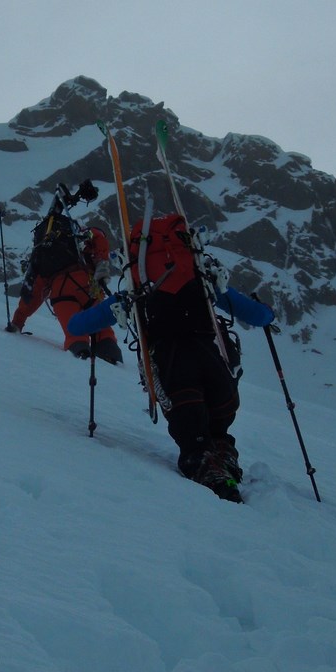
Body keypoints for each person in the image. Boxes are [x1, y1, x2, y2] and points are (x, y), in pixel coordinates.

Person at [130, 214, 273, 502]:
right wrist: (267, 312)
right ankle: (221, 450)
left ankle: (202, 462)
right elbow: (258, 316)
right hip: (208, 356)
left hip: (171, 363)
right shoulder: (202, 278)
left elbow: (80, 325)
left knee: (189, 420)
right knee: (219, 413)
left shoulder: (139, 286)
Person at [8, 183, 123, 365]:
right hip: (89, 286)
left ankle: (80, 354)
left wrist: (18, 321)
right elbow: (98, 236)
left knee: (74, 332)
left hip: (61, 292)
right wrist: (102, 263)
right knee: (102, 328)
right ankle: (110, 352)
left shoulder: (42, 256)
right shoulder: (77, 240)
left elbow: (34, 294)